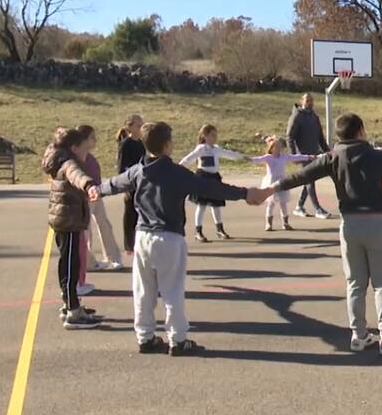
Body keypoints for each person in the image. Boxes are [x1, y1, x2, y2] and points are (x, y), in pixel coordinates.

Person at [266, 113, 382, 356]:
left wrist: (270, 189)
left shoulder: (332, 157)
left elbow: (301, 176)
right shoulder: (377, 156)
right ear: (361, 130)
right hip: (376, 224)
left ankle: (358, 335)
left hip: (349, 225)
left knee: (355, 283)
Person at [97, 122, 269, 356]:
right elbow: (210, 188)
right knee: (172, 291)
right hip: (169, 239)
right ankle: (177, 340)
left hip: (143, 238)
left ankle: (145, 337)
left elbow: (114, 183)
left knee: (143, 291)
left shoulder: (138, 171)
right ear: (168, 145)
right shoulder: (177, 173)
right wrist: (245, 193)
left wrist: (95, 189)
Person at [43, 127, 101, 330]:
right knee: (71, 265)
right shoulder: (69, 162)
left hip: (64, 219)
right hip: (68, 220)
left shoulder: (60, 158)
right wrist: (89, 185)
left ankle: (70, 303)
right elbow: (76, 175)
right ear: (74, 147)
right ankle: (73, 313)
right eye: (84, 146)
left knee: (69, 263)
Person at [178, 124, 247, 242]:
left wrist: (241, 157)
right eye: (212, 135)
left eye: (216, 135)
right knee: (202, 205)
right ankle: (198, 231)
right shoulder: (201, 148)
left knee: (216, 205)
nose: (215, 138)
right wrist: (177, 168)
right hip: (202, 178)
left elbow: (228, 154)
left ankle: (220, 229)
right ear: (204, 136)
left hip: (214, 178)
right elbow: (188, 159)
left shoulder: (215, 148)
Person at [78, 125, 124, 276]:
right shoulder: (78, 157)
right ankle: (89, 262)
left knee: (105, 225)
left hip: (97, 196)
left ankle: (113, 257)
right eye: (92, 137)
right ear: (84, 139)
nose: (95, 140)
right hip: (85, 199)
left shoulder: (89, 157)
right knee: (85, 232)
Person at [250, 135, 314, 231]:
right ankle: (268, 224)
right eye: (276, 147)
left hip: (282, 182)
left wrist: (308, 157)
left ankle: (285, 223)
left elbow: (296, 157)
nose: (279, 149)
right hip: (271, 182)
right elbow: (257, 159)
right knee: (271, 204)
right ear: (271, 148)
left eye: (280, 147)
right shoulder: (268, 158)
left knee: (283, 203)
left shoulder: (284, 157)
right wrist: (247, 159)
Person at [286, 93, 331, 219]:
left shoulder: (314, 117)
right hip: (302, 154)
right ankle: (318, 209)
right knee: (309, 180)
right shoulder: (297, 116)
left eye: (311, 100)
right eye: (307, 100)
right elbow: (290, 137)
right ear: (302, 101)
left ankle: (299, 206)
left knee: (310, 179)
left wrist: (327, 150)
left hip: (314, 153)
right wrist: (294, 155)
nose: (310, 102)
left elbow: (320, 137)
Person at [116, 114, 145, 255]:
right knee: (130, 215)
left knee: (142, 214)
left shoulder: (141, 143)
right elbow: (122, 167)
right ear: (130, 127)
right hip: (131, 184)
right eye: (138, 126)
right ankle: (129, 246)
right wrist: (127, 183)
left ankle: (140, 243)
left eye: (142, 126)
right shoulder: (126, 144)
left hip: (142, 184)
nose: (141, 128)